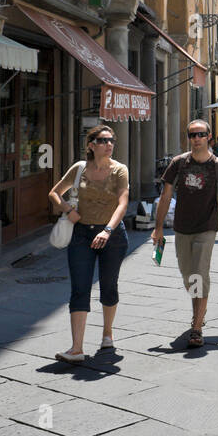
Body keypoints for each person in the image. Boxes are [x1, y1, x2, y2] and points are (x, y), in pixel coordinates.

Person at [153, 120, 218, 348]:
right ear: (188, 138)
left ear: (209, 137)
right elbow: (165, 197)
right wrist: (158, 227)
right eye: (193, 135)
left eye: (201, 134)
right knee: (188, 276)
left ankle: (197, 327)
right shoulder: (178, 164)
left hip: (207, 227)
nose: (197, 138)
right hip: (182, 227)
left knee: (199, 274)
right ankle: (198, 312)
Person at [48, 125, 129, 363]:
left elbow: (123, 203)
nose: (109, 144)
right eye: (103, 140)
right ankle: (76, 349)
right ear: (91, 145)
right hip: (81, 234)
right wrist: (67, 209)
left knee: (108, 285)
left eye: (111, 140)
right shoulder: (79, 168)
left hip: (111, 235)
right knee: (80, 288)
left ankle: (107, 333)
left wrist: (107, 230)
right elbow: (54, 192)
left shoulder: (119, 170)